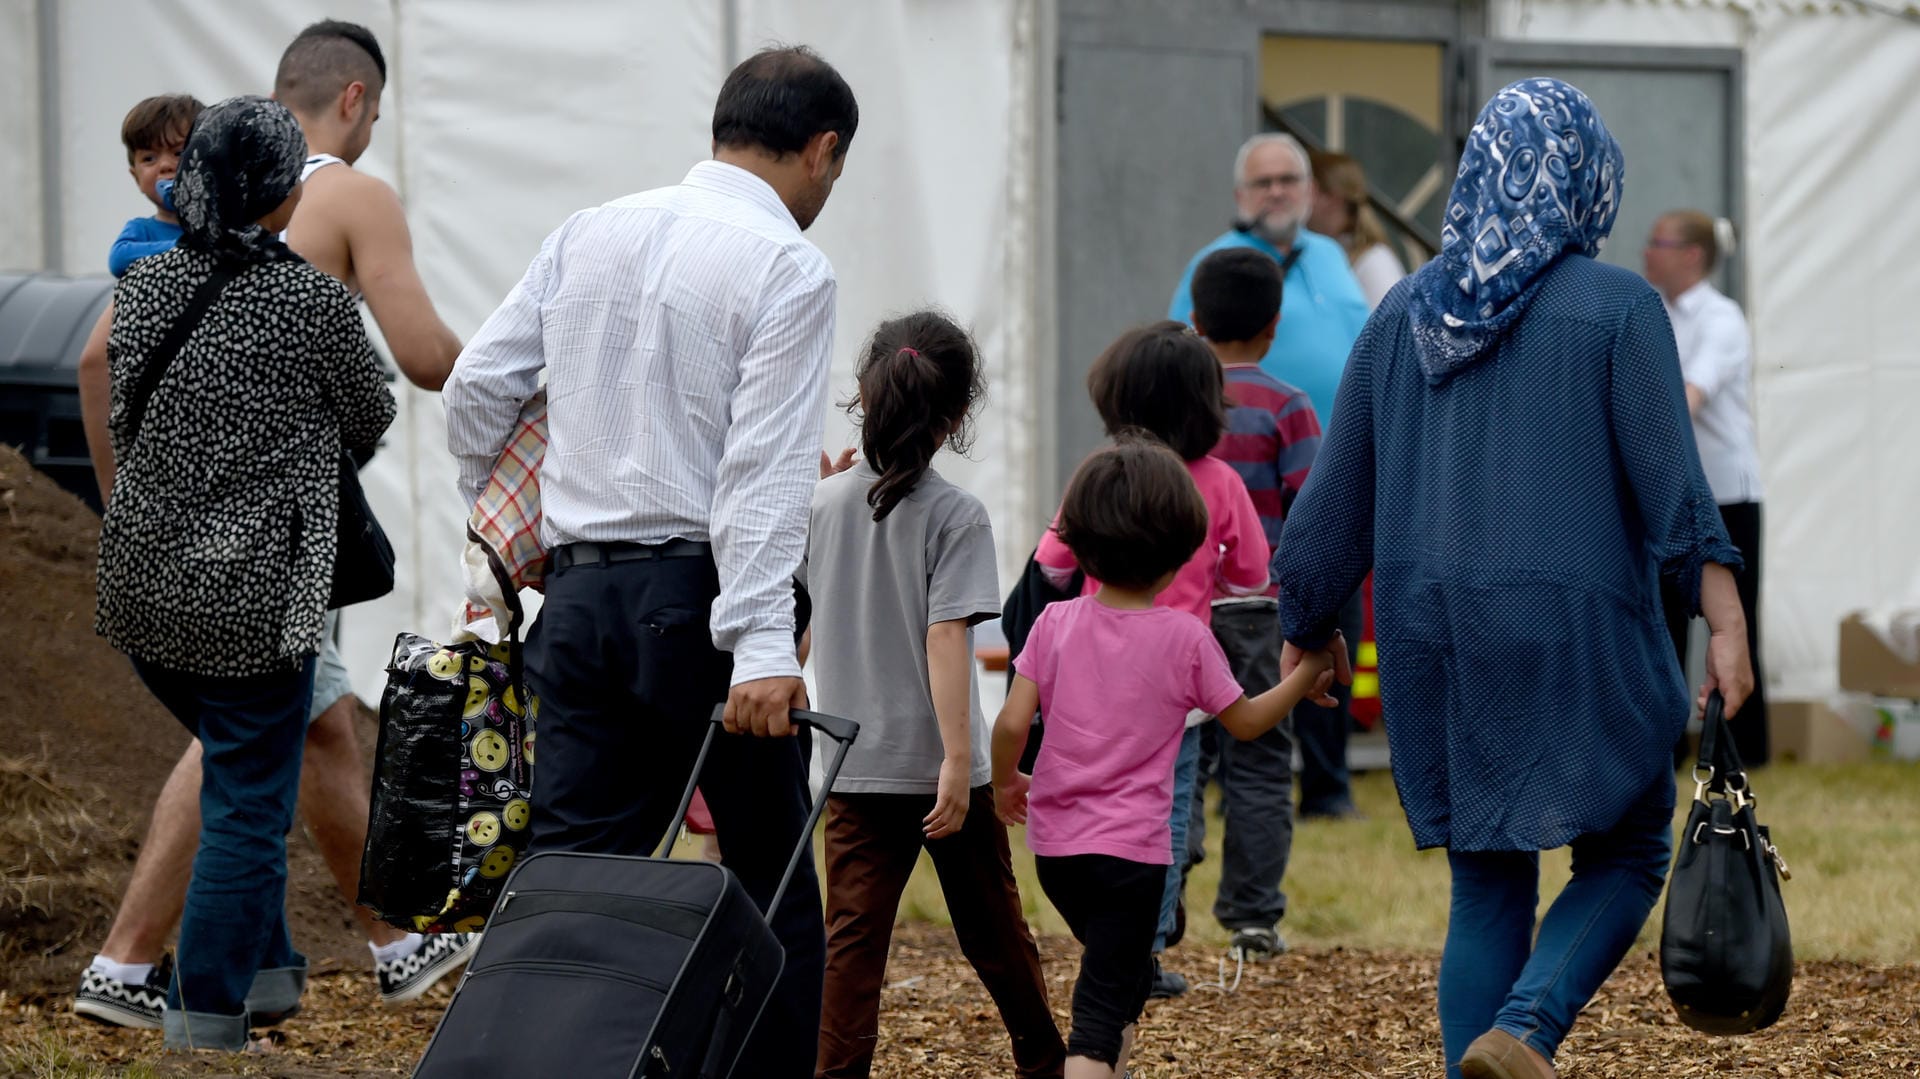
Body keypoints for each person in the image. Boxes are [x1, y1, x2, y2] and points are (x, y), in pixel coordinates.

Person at [1272, 79, 1755, 1079]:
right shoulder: (1621, 306)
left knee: (1486, 882)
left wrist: (1305, 621)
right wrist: (1726, 616)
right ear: (1586, 178)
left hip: (1430, 636)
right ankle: (1528, 1026)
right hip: (1572, 628)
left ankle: (1484, 1061)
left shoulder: (1403, 307)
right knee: (1627, 849)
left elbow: (1332, 499)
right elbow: (1674, 487)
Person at [442, 46, 857, 1076]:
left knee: (568, 878)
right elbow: (761, 475)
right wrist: (764, 642)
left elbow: (475, 391)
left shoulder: (593, 229)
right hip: (704, 601)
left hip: (577, 597)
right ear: (822, 150)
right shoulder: (789, 265)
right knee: (768, 888)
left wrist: (509, 522)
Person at [73, 20, 473, 1031]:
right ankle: (193, 998)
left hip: (148, 572)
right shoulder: (322, 263)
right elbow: (390, 395)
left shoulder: (152, 272)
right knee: (251, 780)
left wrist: (130, 499)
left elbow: (102, 373)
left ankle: (280, 963)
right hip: (259, 570)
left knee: (265, 745)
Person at [95, 95, 396, 1051]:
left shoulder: (142, 287)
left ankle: (264, 977)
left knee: (242, 777)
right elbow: (371, 418)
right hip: (256, 600)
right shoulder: (308, 299)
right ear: (276, 195)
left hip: (145, 596)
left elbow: (116, 399)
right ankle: (208, 1017)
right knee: (246, 809)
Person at [992, 437, 1341, 1079]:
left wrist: (1006, 781)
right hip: (1132, 858)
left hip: (1058, 855)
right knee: (1098, 1013)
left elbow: (1013, 720)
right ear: (1182, 554)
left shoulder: (1054, 624)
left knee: (1119, 980)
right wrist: (1304, 675)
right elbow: (1245, 723)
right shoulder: (1186, 637)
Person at [805, 312, 1065, 1079]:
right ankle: (1046, 1064)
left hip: (852, 768)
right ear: (955, 419)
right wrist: (958, 760)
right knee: (996, 936)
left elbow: (802, 628)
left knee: (850, 950)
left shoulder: (816, 506)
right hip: (945, 772)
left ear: (863, 395)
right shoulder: (956, 515)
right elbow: (945, 637)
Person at [1032, 322, 1271, 1000]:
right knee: (1167, 814)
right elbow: (1251, 574)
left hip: (1085, 673)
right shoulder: (1221, 482)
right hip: (1180, 686)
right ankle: (1145, 942)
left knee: (1094, 790)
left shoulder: (1098, 473)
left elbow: (1051, 563)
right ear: (1206, 403)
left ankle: (1118, 933)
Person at [1170, 132, 1370, 820]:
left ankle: (1328, 788)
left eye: (1289, 179)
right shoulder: (1216, 264)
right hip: (1240, 504)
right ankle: (1237, 784)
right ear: (1240, 197)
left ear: (1311, 190)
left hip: (1329, 477)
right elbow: (1176, 359)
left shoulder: (1335, 259)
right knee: (1239, 650)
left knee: (1330, 630)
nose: (1278, 192)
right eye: (1264, 183)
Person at [1183, 247, 1323, 963]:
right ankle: (1252, 917)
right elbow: (1313, 516)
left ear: (1196, 321)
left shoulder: (1176, 402)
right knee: (1263, 761)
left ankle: (1164, 895)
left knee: (1178, 755)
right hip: (1260, 614)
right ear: (1273, 326)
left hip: (1177, 610)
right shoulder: (1290, 408)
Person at [1644, 209, 1768, 765]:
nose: (1648, 252)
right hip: (1674, 496)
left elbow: (1686, 398)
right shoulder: (1653, 314)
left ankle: (1741, 751)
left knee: (1735, 622)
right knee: (1665, 623)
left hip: (1726, 495)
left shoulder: (1721, 319)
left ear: (1692, 255)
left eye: (1659, 243)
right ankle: (1667, 749)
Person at [108, 95, 202, 279]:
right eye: (149, 158)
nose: (165, 165)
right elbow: (118, 259)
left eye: (178, 153)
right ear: (136, 178)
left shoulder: (226, 226)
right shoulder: (142, 230)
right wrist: (186, 247)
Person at [1308, 150, 1407, 309]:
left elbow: (1393, 328)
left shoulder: (1374, 261)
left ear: (1333, 197)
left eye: (1309, 191)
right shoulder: (1323, 253)